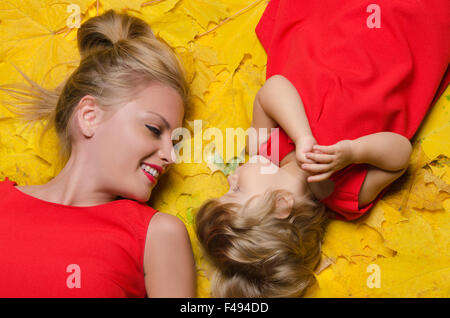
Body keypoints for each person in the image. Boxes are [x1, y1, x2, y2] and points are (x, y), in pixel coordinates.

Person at [195, 0, 449, 297]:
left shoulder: (264, 149)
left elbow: (273, 88)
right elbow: (400, 155)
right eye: (235, 191)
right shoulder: (345, 194)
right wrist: (354, 152)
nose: (230, 178)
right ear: (281, 204)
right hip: (386, 49)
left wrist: (302, 135)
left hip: (329, 32)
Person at [0, 10, 195, 297]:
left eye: (175, 142)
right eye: (154, 129)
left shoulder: (158, 236)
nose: (170, 155)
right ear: (90, 116)